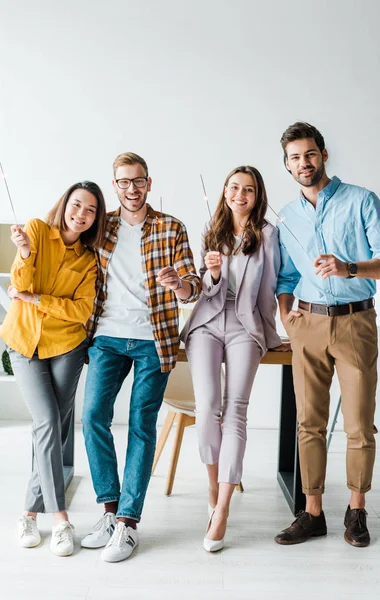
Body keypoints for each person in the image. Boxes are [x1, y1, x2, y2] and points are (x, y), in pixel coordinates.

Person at [274, 122, 380, 547]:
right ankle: (312, 513)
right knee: (308, 423)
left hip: (355, 322)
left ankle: (356, 510)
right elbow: (286, 275)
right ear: (287, 165)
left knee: (359, 424)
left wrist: (348, 267)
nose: (303, 163)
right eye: (294, 158)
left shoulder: (361, 200)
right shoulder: (287, 215)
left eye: (309, 154)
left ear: (323, 155)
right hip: (306, 325)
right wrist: (286, 316)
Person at [80, 152, 201, 563]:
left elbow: (194, 288)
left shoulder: (172, 227)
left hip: (154, 340)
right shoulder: (102, 227)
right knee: (93, 415)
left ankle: (129, 524)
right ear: (113, 185)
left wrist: (178, 284)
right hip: (107, 338)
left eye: (138, 181)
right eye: (123, 182)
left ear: (149, 183)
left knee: (141, 425)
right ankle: (109, 511)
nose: (131, 189)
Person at [181, 165, 289, 552]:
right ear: (225, 191)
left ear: (258, 195)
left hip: (246, 326)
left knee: (235, 409)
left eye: (248, 189)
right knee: (207, 406)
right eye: (234, 187)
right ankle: (212, 485)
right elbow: (200, 288)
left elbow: (272, 285)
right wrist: (211, 275)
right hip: (207, 324)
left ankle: (222, 507)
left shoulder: (268, 235)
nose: (240, 194)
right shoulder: (212, 231)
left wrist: (275, 330)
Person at [0, 181, 106, 556]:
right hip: (24, 342)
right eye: (77, 205)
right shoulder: (36, 231)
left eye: (91, 210)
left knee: (55, 426)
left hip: (66, 347)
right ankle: (60, 518)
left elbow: (81, 310)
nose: (81, 214)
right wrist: (25, 253)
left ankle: (28, 513)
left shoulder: (89, 259)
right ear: (64, 205)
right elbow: (18, 282)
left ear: (96, 218)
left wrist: (35, 299)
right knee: (47, 422)